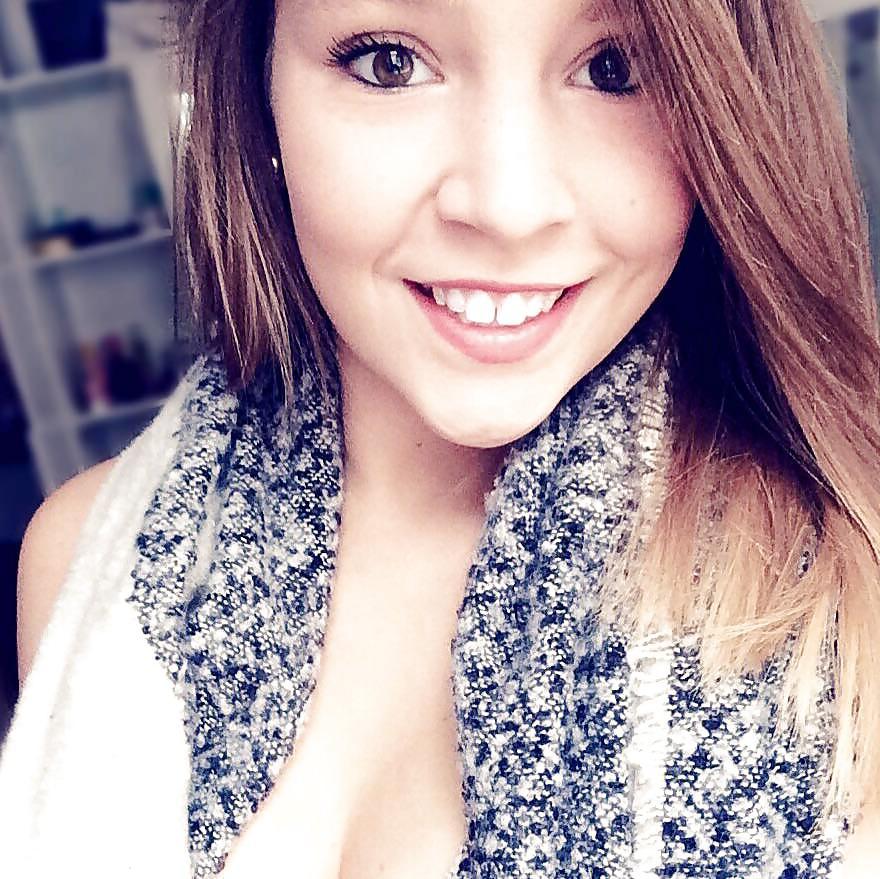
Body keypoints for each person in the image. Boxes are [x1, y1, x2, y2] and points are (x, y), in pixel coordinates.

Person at [2, 0, 879, 875]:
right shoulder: (84, 561)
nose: (508, 206)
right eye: (389, 62)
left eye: (616, 69)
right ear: (257, 95)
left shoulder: (851, 626)